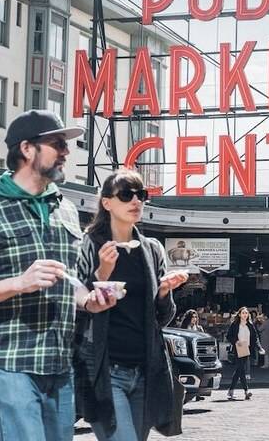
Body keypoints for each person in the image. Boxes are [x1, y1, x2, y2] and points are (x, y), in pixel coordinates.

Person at [0, 110, 117, 441]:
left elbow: (66, 279)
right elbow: (28, 281)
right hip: (9, 362)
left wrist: (89, 300)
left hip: (60, 364)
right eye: (57, 144)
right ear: (27, 149)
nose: (66, 152)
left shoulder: (66, 208)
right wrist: (19, 283)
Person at [74, 168, 188, 440]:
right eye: (126, 195)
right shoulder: (90, 245)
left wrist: (163, 292)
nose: (136, 201)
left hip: (145, 370)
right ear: (107, 203)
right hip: (103, 370)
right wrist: (101, 272)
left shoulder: (152, 249)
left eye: (141, 194)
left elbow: (161, 319)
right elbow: (76, 302)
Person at [225, 307, 264, 400]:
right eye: (243, 313)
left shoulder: (250, 325)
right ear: (239, 314)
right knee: (241, 369)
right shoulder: (235, 324)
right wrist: (236, 341)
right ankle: (246, 391)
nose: (245, 315)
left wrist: (259, 348)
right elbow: (229, 336)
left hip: (247, 348)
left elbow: (255, 337)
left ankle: (231, 390)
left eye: (246, 313)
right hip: (238, 348)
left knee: (239, 370)